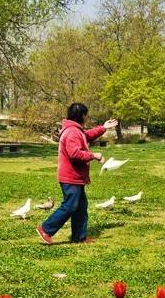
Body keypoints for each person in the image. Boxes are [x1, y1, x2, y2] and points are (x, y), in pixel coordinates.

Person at [37, 103, 118, 245]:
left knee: (80, 207)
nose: (87, 117)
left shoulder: (75, 130)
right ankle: (46, 229)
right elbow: (74, 153)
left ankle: (79, 237)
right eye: (87, 115)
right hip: (70, 177)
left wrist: (104, 127)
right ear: (82, 115)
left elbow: (87, 136)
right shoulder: (72, 132)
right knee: (70, 206)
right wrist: (94, 155)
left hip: (76, 177)